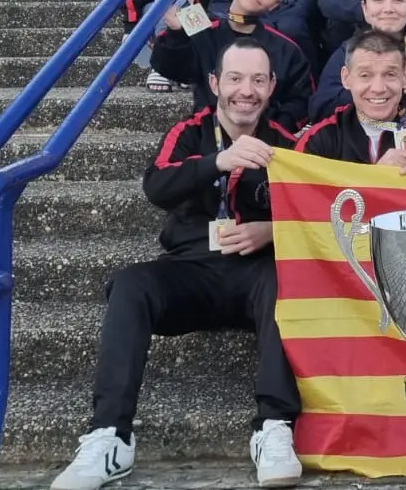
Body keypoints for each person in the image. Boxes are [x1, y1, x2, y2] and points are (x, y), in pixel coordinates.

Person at [49, 40, 303, 490]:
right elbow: (157, 186)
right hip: (193, 270)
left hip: (257, 273)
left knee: (287, 283)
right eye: (236, 78)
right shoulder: (188, 131)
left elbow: (314, 210)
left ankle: (274, 426)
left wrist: (272, 230)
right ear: (214, 83)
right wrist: (217, 161)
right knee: (131, 284)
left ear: (272, 87)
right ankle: (109, 435)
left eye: (258, 80)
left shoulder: (287, 141)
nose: (247, 91)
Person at [151, 0, 314, 131]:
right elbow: (170, 68)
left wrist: (272, 127)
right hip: (208, 135)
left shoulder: (286, 49)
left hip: (263, 142)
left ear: (275, 4)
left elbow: (302, 102)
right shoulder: (203, 27)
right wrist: (176, 33)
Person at [295, 28, 406, 168]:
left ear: (405, 76)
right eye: (365, 75)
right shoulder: (319, 139)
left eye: (390, 74)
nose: (378, 88)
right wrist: (376, 176)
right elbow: (301, 197)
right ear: (346, 78)